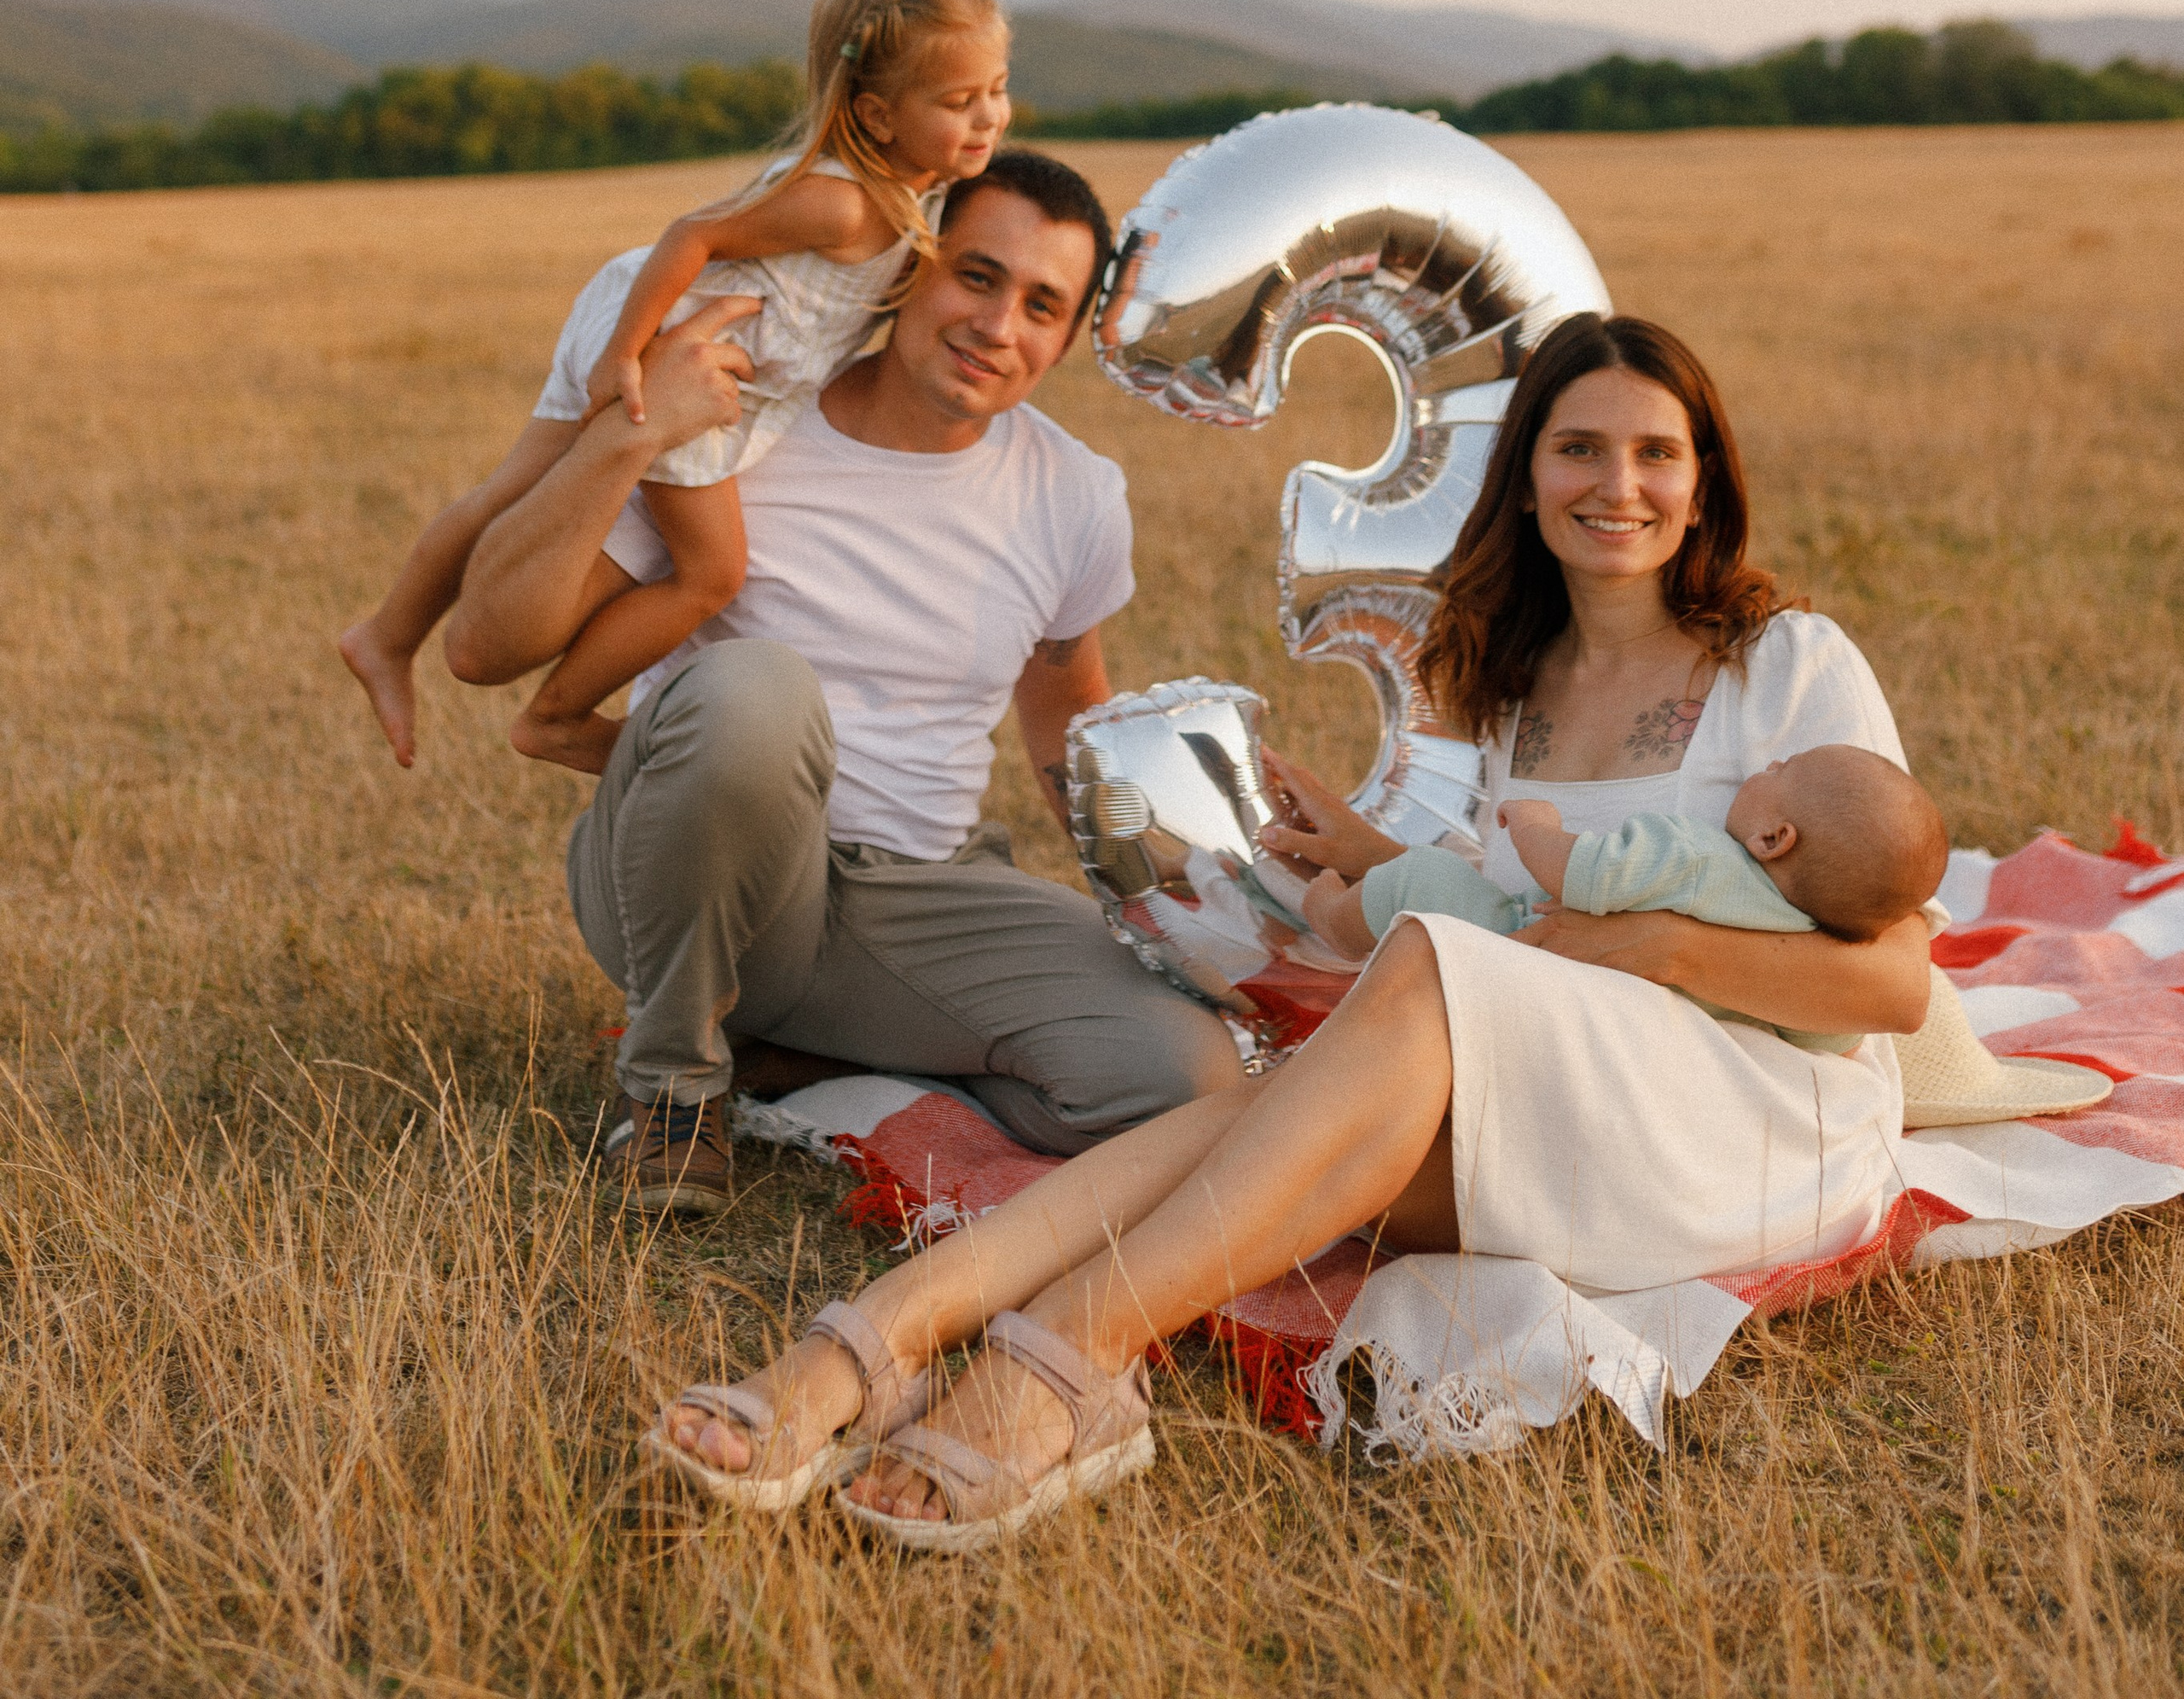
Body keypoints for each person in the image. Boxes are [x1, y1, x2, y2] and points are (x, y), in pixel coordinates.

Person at [646, 310, 1937, 1546]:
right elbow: (1526, 915)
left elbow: (1892, 987)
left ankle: (1072, 1358)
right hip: (1583, 1101)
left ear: (1705, 484)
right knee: (1259, 1126)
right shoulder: (1512, 699)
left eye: (1660, 452)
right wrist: (1385, 865)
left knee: (1402, 999)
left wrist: (1650, 950)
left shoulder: (1787, 661)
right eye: (1580, 447)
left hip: (1758, 1114)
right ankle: (865, 1344)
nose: (1621, 483)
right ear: (1530, 478)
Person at [439, 145, 1245, 1207]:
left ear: (1065, 338)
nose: (998, 327)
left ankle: (803, 1064)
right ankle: (673, 1088)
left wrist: (1187, 919)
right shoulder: (742, 419)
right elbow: (481, 646)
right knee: (755, 691)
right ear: (912, 266)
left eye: (1042, 305)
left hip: (922, 893)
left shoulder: (1075, 494)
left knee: (1184, 1082)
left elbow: (1066, 716)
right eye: (976, 275)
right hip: (703, 884)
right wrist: (629, 435)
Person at [340, 0, 1010, 773]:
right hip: (679, 354)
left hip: (642, 319)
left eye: (996, 90)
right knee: (712, 573)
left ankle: (384, 636)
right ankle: (556, 717)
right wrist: (626, 355)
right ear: (876, 115)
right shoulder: (845, 203)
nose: (988, 119)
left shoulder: (915, 189)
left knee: (509, 494)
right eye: (957, 101)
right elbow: (693, 235)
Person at [1303, 744, 1948, 1056]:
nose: (1768, 764)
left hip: (1525, 952)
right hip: (1625, 1044)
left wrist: (1537, 825)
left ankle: (1332, 920)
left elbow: (1585, 873)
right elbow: (1828, 1045)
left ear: (1775, 838)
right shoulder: (1806, 934)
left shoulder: (1696, 857)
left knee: (1428, 878)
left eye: (1781, 771)